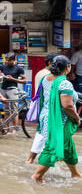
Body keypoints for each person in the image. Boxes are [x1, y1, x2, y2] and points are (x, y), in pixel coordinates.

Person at [31, 55, 81, 183]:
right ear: (68, 67)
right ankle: (37, 176)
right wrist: (76, 118)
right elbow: (68, 106)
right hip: (58, 121)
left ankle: (75, 174)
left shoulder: (45, 79)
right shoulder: (65, 83)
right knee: (52, 147)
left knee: (67, 146)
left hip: (46, 116)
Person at [27, 53, 59, 164]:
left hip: (42, 106)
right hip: (46, 107)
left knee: (42, 132)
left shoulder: (41, 72)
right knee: (44, 134)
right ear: (50, 63)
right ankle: (40, 159)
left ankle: (33, 159)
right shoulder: (48, 75)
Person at [0, 52, 28, 134]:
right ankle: (6, 129)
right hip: (3, 89)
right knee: (6, 110)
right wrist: (1, 74)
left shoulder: (18, 68)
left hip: (13, 90)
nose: (7, 62)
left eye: (8, 61)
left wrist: (13, 79)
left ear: (13, 60)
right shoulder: (3, 66)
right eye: (6, 60)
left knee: (14, 110)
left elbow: (25, 81)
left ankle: (15, 130)